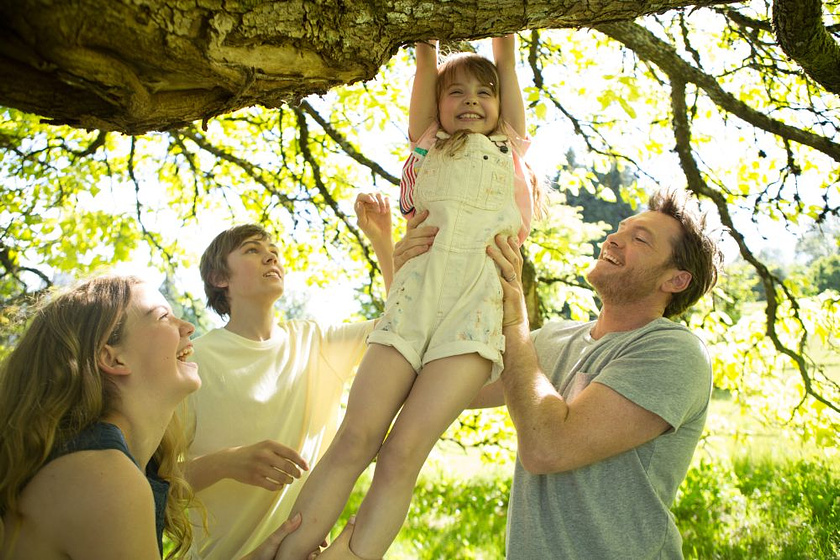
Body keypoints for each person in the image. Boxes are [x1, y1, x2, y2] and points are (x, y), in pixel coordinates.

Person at [276, 35, 541, 560]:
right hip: (412, 301)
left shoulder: (509, 145)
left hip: (473, 313)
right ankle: (286, 551)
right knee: (355, 440)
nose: (470, 100)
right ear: (437, 108)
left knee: (401, 455)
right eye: (456, 92)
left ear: (501, 107)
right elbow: (426, 63)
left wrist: (502, 45)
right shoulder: (429, 143)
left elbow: (506, 57)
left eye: (483, 93)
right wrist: (427, 48)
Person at [0, 275, 323, 559]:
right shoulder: (105, 478)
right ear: (112, 357)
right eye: (162, 317)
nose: (188, 327)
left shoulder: (99, 463)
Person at [479, 188, 724, 559]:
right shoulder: (551, 340)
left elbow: (549, 448)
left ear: (675, 281)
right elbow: (443, 384)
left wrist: (515, 322)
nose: (614, 237)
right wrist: (402, 265)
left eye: (639, 239)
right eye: (621, 228)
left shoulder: (674, 352)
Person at [184, 193, 395, 560]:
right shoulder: (191, 362)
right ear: (219, 278)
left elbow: (402, 325)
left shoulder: (316, 342)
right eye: (252, 250)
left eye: (273, 249)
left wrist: (381, 239)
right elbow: (147, 486)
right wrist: (224, 464)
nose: (271, 256)